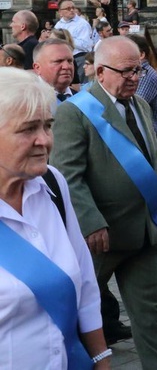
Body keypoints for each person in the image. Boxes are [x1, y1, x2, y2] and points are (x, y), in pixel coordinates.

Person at [50, 36, 157, 369]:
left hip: (144, 231)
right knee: (77, 309)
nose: (135, 77)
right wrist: (90, 220)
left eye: (138, 69)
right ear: (100, 72)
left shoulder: (142, 106)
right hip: (99, 238)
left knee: (152, 312)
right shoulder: (75, 113)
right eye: (126, 71)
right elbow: (67, 174)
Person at [0, 67, 111, 369]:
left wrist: (101, 357)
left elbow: (85, 279)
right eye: (28, 129)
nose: (44, 141)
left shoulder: (52, 183)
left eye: (47, 126)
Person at [130, 33, 157, 160]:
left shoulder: (145, 75)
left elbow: (135, 104)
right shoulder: (140, 73)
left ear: (141, 54)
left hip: (147, 136)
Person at [54, 0, 94, 83]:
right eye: (68, 9)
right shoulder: (59, 24)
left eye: (73, 8)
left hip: (79, 58)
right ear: (60, 12)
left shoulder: (82, 24)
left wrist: (67, 39)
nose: (72, 10)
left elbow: (85, 45)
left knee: (79, 85)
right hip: (63, 58)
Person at [32, 37, 75, 103]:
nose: (66, 67)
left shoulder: (81, 99)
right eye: (58, 61)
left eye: (70, 61)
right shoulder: (27, 100)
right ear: (37, 68)